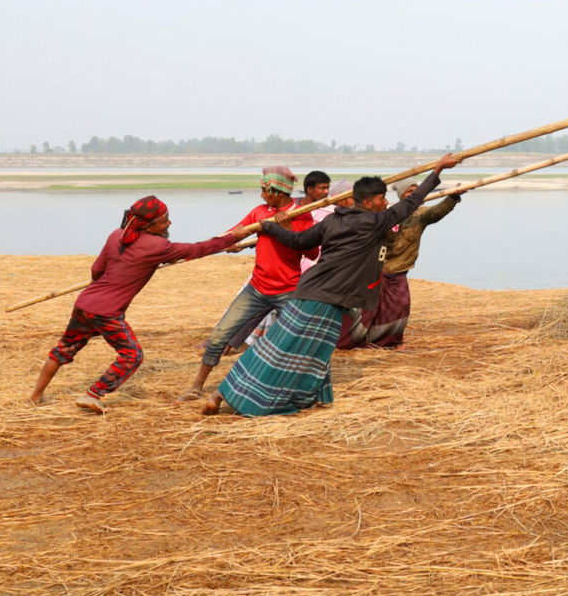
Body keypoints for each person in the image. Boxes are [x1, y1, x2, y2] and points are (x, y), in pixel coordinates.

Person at [202, 156, 461, 417]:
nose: (386, 203)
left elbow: (298, 240)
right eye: (382, 199)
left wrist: (273, 228)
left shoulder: (333, 221)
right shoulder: (374, 222)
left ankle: (304, 396)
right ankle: (228, 393)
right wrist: (437, 170)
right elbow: (412, 202)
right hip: (324, 298)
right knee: (283, 349)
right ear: (369, 202)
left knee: (304, 348)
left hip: (313, 292)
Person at [30, 196, 238, 413]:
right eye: (164, 220)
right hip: (107, 312)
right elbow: (198, 249)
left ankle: (35, 395)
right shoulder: (158, 246)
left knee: (64, 349)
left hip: (85, 304)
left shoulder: (116, 235)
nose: (169, 224)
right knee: (132, 356)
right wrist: (232, 238)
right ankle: (93, 395)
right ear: (149, 225)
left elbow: (96, 271)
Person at [179, 167, 316, 400]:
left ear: (279, 191)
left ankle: (302, 388)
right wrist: (228, 242)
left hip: (288, 290)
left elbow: (311, 252)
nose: (262, 195)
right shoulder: (260, 212)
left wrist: (288, 230)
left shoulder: (301, 215)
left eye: (266, 190)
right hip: (257, 288)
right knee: (219, 337)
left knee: (297, 340)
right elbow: (235, 233)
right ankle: (196, 387)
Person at [337, 182, 462, 349]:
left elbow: (437, 211)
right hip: (376, 271)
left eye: (417, 191)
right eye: (410, 191)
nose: (415, 193)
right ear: (402, 196)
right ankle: (353, 341)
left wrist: (453, 197)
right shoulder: (389, 214)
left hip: (398, 272)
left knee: (399, 308)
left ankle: (390, 341)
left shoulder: (420, 215)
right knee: (368, 311)